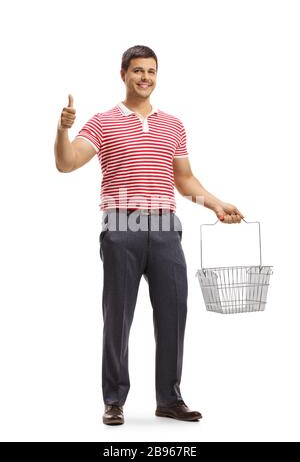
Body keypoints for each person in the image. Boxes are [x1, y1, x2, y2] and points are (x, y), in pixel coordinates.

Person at [54, 45, 244, 426]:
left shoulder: (173, 124)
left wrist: (217, 204)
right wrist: (63, 129)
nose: (145, 78)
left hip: (165, 230)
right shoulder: (102, 122)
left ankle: (170, 399)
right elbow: (67, 162)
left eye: (151, 72)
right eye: (138, 70)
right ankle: (114, 400)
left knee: (174, 313)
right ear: (123, 73)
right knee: (118, 316)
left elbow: (184, 179)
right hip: (121, 227)